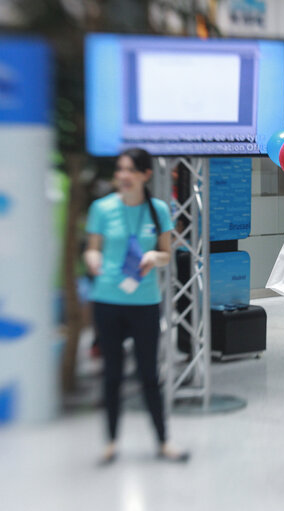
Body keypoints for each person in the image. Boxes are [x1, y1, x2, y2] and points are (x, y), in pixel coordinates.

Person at [84, 147, 188, 465]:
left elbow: (167, 253)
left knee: (148, 375)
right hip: (108, 301)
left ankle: (163, 442)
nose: (123, 176)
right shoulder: (101, 209)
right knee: (112, 374)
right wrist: (94, 262)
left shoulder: (158, 210)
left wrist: (153, 257)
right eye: (119, 169)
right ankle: (111, 443)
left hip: (144, 302)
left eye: (130, 170)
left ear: (145, 174)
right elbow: (92, 249)